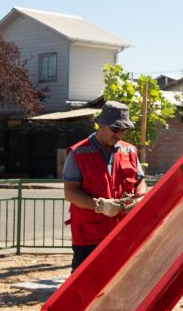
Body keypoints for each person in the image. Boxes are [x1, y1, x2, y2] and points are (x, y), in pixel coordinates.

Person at [63, 101, 147, 271]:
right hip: (89, 236)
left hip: (123, 232)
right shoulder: (78, 153)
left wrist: (140, 198)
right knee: (86, 282)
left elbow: (140, 181)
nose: (119, 135)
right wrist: (99, 206)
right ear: (101, 125)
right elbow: (70, 192)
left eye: (124, 130)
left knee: (120, 281)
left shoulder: (130, 151)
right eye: (115, 129)